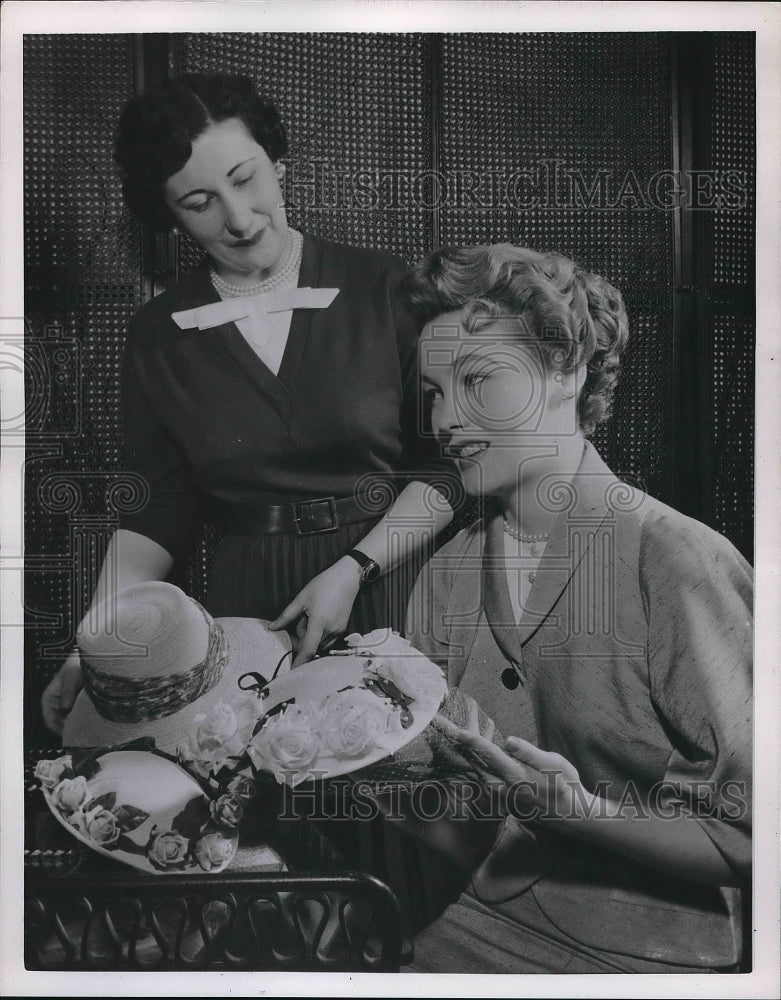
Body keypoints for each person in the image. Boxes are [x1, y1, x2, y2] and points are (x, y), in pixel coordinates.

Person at [40, 72, 455, 737]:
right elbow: (155, 513)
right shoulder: (158, 333)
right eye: (199, 201)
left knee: (388, 789)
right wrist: (93, 650)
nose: (236, 218)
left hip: (385, 578)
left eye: (246, 177)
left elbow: (449, 464)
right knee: (269, 795)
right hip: (249, 614)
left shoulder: (381, 287)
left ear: (279, 163)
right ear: (169, 216)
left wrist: (355, 568)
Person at [394, 244, 752, 973]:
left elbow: (751, 840)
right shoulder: (445, 572)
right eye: (434, 391)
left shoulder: (677, 561)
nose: (445, 420)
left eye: (477, 380)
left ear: (567, 369)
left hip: (646, 956)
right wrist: (352, 765)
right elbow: (452, 822)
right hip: (477, 921)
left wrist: (578, 814)